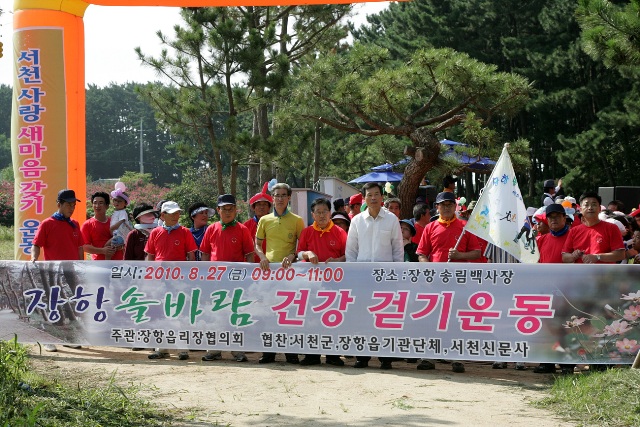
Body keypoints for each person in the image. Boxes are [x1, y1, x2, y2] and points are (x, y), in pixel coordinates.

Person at [416, 191, 481, 373]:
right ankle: (428, 357)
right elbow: (421, 253)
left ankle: (457, 358)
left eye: (450, 204)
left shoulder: (464, 227)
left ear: (455, 206)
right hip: (434, 282)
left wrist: (460, 255)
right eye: (443, 204)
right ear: (437, 207)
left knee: (455, 319)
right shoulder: (430, 227)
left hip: (458, 281)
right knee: (431, 318)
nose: (446, 207)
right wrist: (430, 268)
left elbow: (477, 252)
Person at [345, 182, 404, 370]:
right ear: (364, 198)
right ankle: (362, 356)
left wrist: (396, 275)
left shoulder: (392, 220)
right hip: (362, 278)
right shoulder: (357, 221)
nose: (373, 198)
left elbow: (397, 250)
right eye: (369, 195)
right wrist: (354, 275)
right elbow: (351, 251)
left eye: (376, 194)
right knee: (363, 317)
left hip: (385, 277)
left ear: (382, 197)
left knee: (384, 317)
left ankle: (386, 357)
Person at [199, 194, 254, 363]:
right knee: (214, 314)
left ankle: (237, 350)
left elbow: (250, 255)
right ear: (218, 211)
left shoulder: (242, 229)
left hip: (236, 281)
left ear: (236, 210)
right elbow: (206, 253)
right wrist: (205, 277)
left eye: (231, 209)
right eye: (224, 209)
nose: (228, 212)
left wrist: (249, 277)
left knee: (235, 313)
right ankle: (214, 350)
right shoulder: (211, 228)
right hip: (215, 280)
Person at [254, 183, 304, 364]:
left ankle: (291, 353)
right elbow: (257, 244)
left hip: (290, 273)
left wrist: (292, 256)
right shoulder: (265, 220)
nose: (280, 198)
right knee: (269, 312)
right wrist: (261, 257)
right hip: (269, 273)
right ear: (272, 198)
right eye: (277, 195)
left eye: (284, 195)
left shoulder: (297, 220)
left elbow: (301, 246)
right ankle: (269, 352)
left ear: (289, 198)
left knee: (289, 312)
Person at [31, 189, 85, 353]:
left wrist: (81, 265)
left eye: (74, 205)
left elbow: (80, 247)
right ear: (59, 204)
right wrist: (34, 258)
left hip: (70, 272)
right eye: (68, 204)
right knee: (52, 304)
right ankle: (47, 338)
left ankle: (67, 338)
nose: (72, 208)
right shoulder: (47, 223)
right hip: (52, 272)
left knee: (69, 304)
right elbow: (36, 244)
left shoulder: (75, 224)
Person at [296, 198, 347, 367]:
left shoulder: (340, 232)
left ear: (330, 213)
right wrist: (307, 253)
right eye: (318, 212)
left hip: (334, 284)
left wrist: (338, 260)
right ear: (313, 215)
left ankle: (332, 355)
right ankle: (312, 355)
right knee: (311, 318)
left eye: (324, 211)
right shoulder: (307, 232)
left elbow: (347, 255)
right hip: (310, 284)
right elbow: (298, 253)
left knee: (332, 318)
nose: (322, 215)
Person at [144, 201, 198, 361]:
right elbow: (150, 256)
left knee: (179, 312)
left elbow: (191, 256)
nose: (175, 216)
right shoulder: (155, 233)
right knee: (160, 312)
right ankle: (162, 348)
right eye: (171, 213)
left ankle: (182, 349)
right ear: (162, 215)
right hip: (160, 279)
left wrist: (189, 277)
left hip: (179, 280)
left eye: (177, 213)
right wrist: (149, 276)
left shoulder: (185, 232)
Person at [533, 203, 575, 375]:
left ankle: (566, 363)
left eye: (558, 216)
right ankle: (547, 362)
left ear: (565, 218)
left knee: (566, 326)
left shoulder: (573, 236)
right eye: (551, 217)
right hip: (546, 291)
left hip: (568, 290)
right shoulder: (541, 240)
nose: (554, 219)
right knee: (547, 327)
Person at [562, 191, 625, 265]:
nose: (590, 208)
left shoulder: (611, 228)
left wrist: (598, 257)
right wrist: (573, 256)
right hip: (580, 275)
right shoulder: (574, 231)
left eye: (594, 204)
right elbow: (564, 257)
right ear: (581, 209)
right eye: (586, 205)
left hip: (604, 275)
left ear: (599, 208)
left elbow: (620, 254)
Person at [82, 191, 121, 261]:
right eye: (95, 203)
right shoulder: (87, 225)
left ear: (107, 206)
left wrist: (120, 246)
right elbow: (84, 247)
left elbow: (124, 239)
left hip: (118, 263)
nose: (97, 206)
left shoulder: (114, 222)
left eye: (101, 203)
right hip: (99, 265)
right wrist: (102, 250)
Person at [244, 183, 273, 263]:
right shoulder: (246, 226)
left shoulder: (275, 223)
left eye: (264, 204)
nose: (262, 207)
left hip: (272, 264)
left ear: (269, 207)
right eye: (259, 204)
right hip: (251, 265)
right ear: (254, 207)